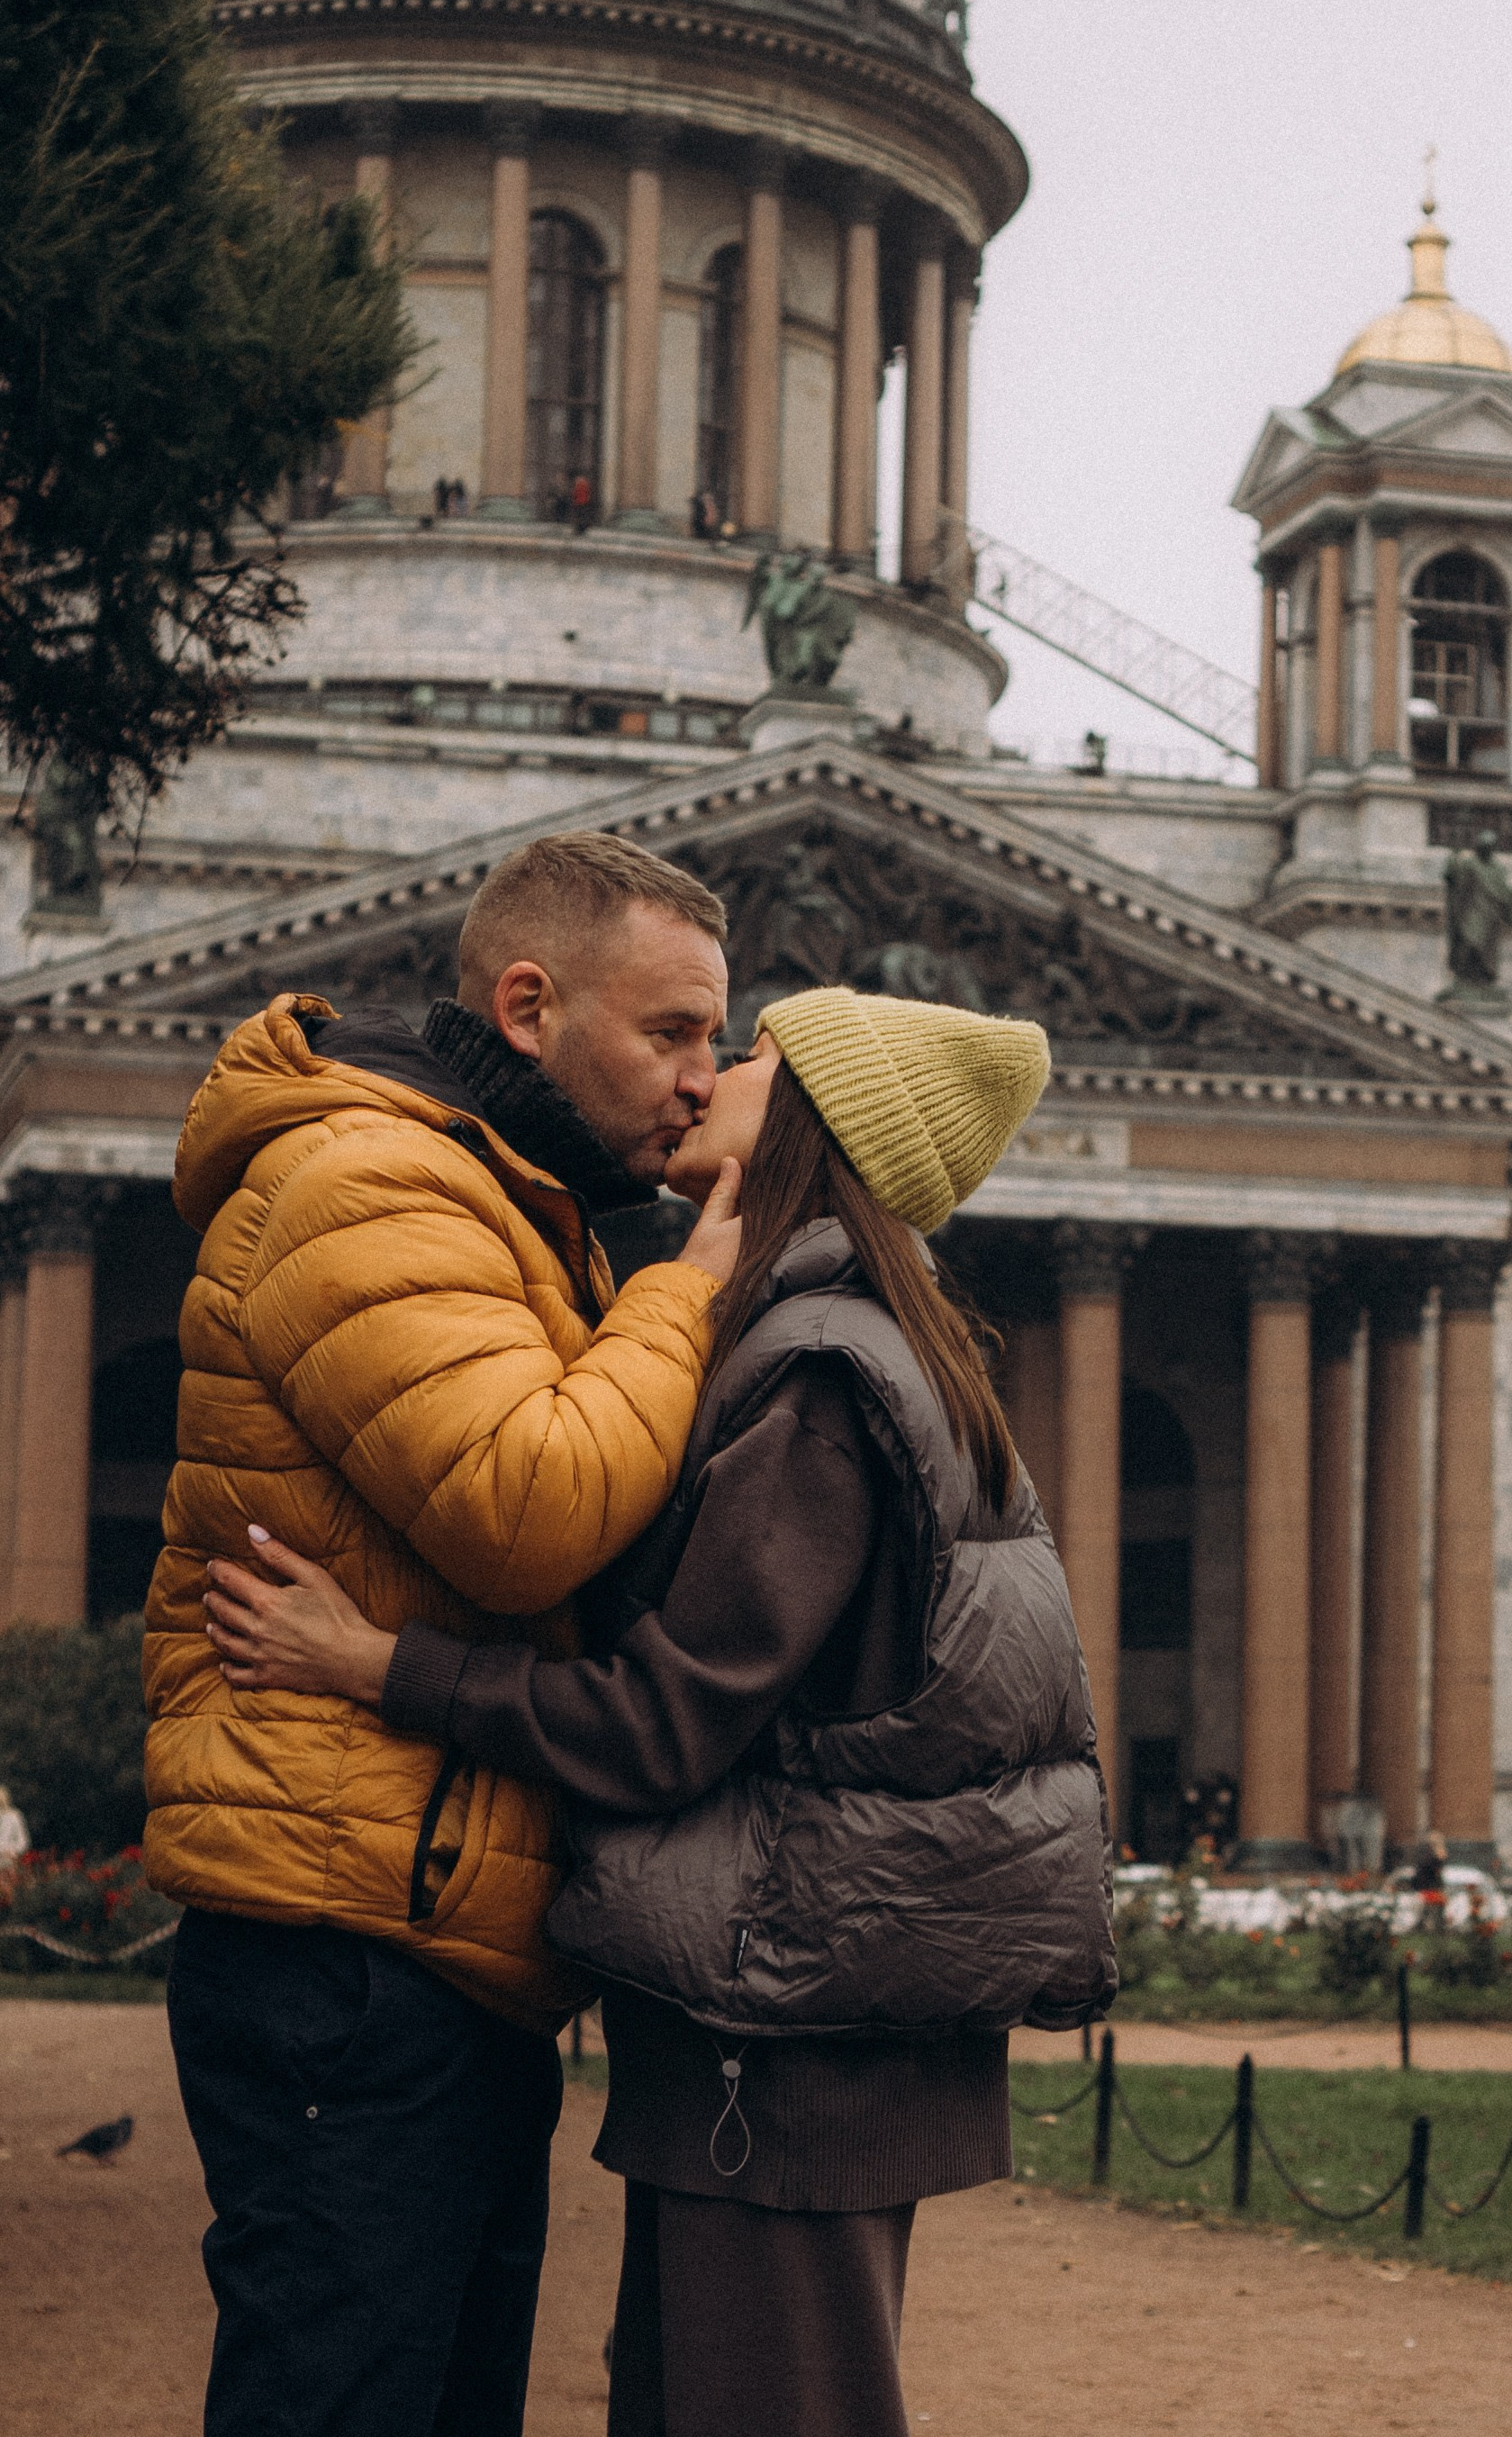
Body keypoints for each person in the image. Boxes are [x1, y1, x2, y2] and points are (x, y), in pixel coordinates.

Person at [203, 989, 1117, 2437]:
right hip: (786, 2032)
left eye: (751, 1054)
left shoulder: (816, 1373)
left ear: (813, 1115)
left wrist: (381, 1666)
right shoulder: (855, 1344)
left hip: (780, 2046)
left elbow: (663, 1721)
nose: (710, 1079)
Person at [147, 830, 745, 2437]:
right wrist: (694, 1285)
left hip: (418, 1918)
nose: (708, 1079)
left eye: (721, 1039)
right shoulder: (373, 1177)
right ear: (533, 1004)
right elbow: (530, 1503)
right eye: (675, 1032)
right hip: (351, 1936)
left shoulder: (492, 1187)